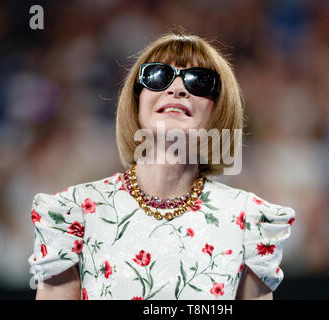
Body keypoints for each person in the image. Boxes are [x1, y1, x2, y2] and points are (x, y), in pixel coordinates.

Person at [28, 33, 295, 300]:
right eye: (157, 76)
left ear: (219, 111)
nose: (177, 89)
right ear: (136, 101)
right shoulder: (73, 214)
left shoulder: (250, 222)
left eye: (199, 80)